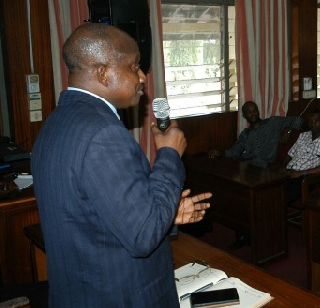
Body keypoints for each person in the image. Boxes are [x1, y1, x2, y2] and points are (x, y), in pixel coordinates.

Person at [31, 23, 212, 307]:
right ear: (103, 73)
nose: (142, 77)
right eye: (134, 66)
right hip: (120, 296)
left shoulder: (56, 122)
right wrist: (168, 154)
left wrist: (164, 214)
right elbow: (143, 235)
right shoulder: (103, 134)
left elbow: (89, 216)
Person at [208, 101, 303, 167]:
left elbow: (298, 120)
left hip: (263, 166)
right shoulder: (245, 133)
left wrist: (288, 131)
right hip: (246, 165)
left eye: (254, 111)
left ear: (258, 112)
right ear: (244, 116)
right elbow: (234, 151)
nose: (253, 114)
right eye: (249, 112)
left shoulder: (273, 122)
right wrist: (220, 153)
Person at [283, 109, 320, 204]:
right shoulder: (302, 136)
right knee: (268, 188)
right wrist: (283, 167)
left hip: (306, 178)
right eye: (310, 121)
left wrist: (302, 173)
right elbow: (289, 155)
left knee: (281, 195)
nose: (313, 124)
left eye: (316, 121)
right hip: (288, 173)